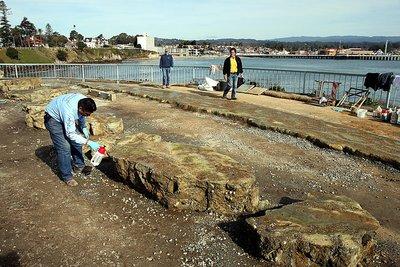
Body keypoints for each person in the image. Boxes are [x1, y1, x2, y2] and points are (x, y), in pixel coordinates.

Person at [44, 93, 103, 186]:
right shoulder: (69, 112)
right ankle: (67, 176)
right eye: (86, 114)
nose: (88, 116)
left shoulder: (84, 100)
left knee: (77, 143)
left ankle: (79, 166)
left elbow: (82, 116)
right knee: (64, 147)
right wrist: (89, 142)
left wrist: (83, 127)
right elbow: (71, 134)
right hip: (53, 119)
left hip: (62, 112)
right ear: (80, 109)